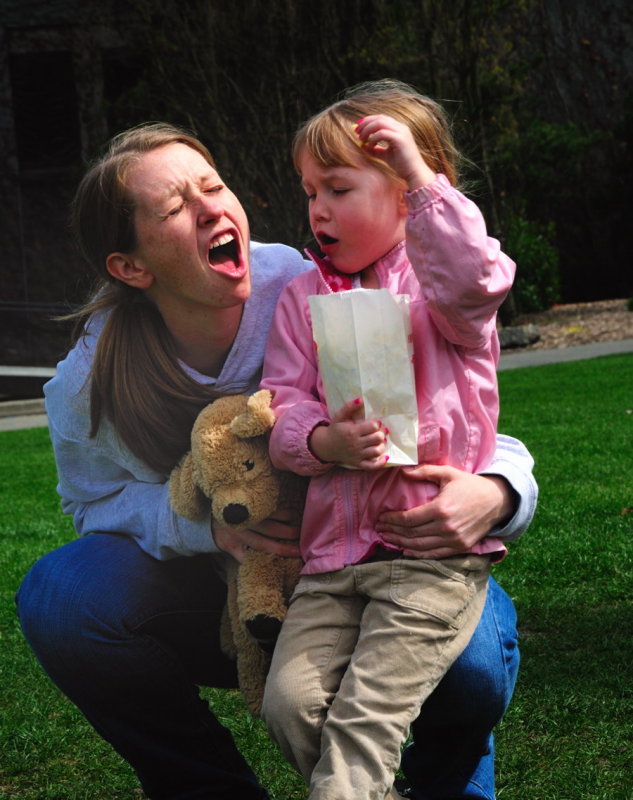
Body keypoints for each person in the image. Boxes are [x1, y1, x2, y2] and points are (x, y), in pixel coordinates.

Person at [14, 120, 537, 800]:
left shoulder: (308, 281)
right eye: (175, 208)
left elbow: (447, 409)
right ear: (130, 266)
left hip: (393, 555)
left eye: (213, 185)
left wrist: (498, 494)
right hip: (229, 594)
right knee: (62, 596)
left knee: (471, 667)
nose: (211, 209)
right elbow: (88, 501)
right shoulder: (89, 379)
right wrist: (211, 530)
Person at [259, 79, 518, 800]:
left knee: (360, 732)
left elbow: (477, 273)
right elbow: (279, 407)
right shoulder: (300, 298)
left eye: (337, 188)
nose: (317, 209)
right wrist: (321, 441)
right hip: (329, 560)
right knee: (289, 708)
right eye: (310, 191)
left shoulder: (444, 294)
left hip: (424, 559)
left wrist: (420, 177)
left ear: (405, 194)